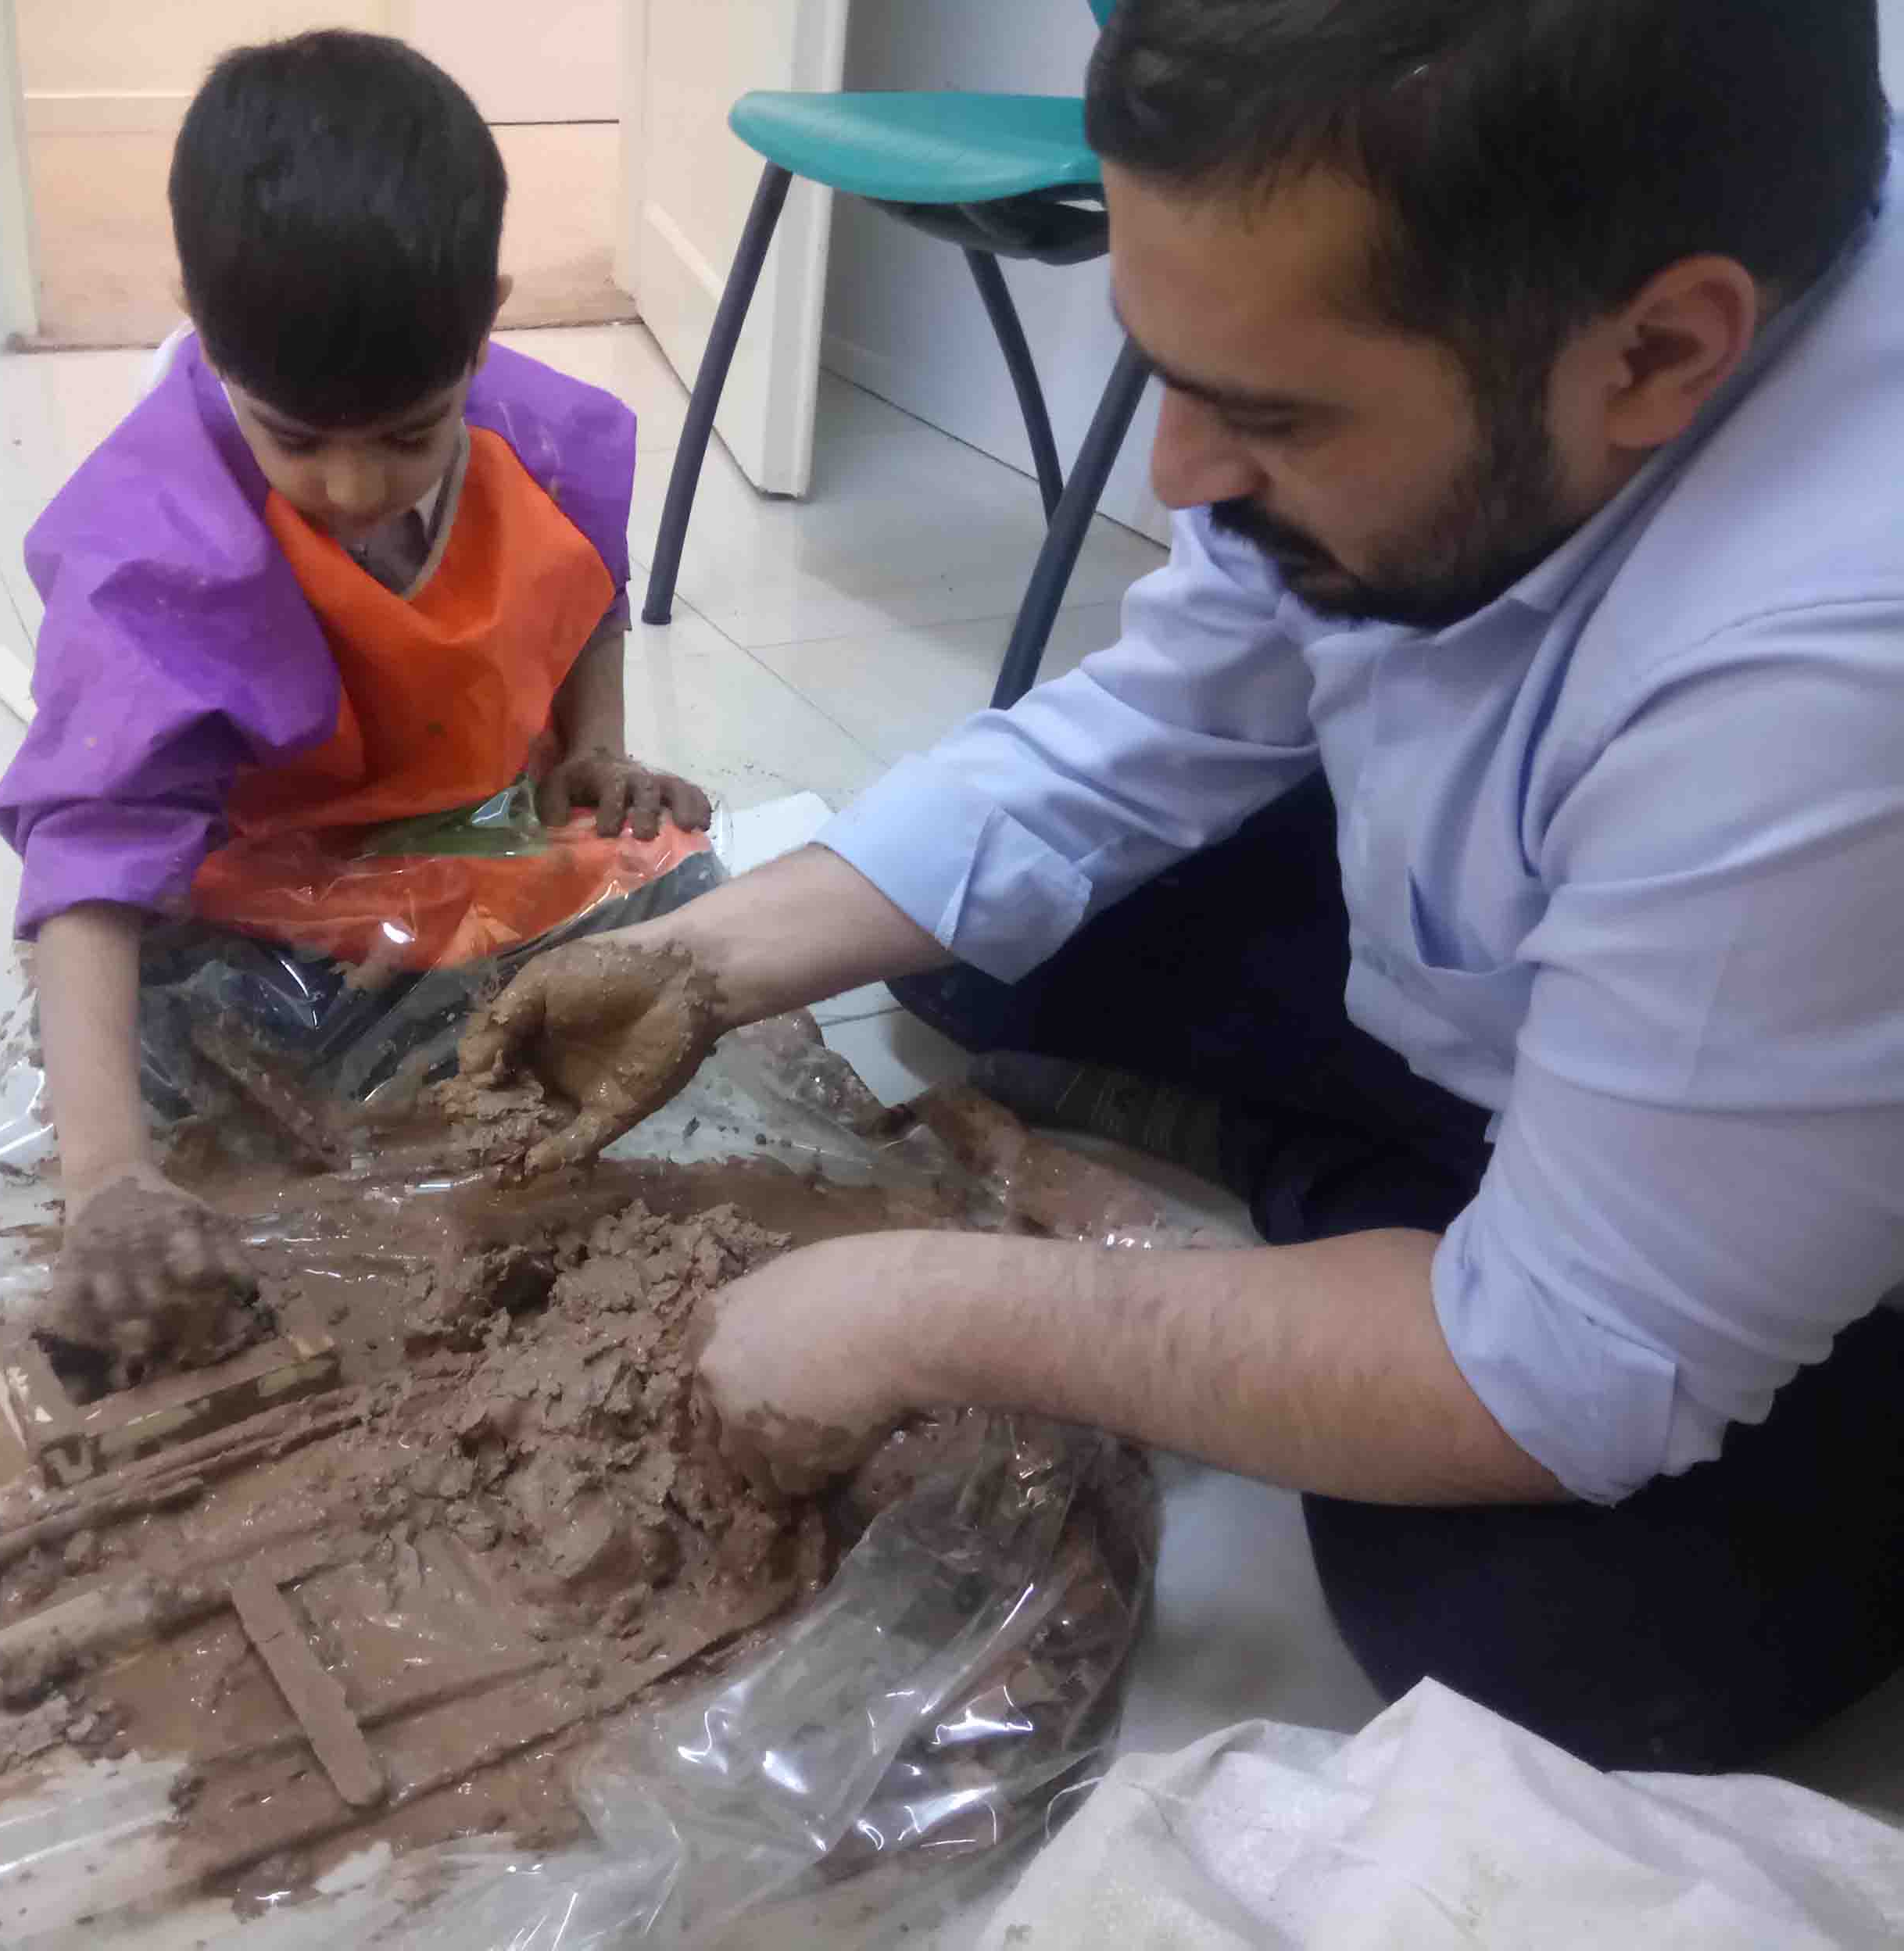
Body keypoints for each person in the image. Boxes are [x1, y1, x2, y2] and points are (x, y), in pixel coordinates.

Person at [460, 0, 1904, 1773]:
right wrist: (696, 961)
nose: (1176, 479)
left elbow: (1571, 1371)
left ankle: (1389, 1215)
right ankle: (1386, 1214)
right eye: (1164, 371)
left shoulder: (1838, 667)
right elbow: (1152, 723)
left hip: (1830, 1149)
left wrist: (921, 1312)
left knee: (1541, 1645)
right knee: (974, 938)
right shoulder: (1509, 337)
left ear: (1658, 353)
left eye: (1266, 415)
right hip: (1615, 940)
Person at [0, 31, 710, 1348]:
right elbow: (93, 846)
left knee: (685, 900)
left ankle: (456, 1058)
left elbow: (588, 593)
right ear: (206, 333)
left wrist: (592, 747)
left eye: (409, 434)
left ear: (484, 328)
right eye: (298, 439)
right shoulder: (154, 543)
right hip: (264, 896)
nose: (359, 485)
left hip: (465, 840)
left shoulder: (540, 435)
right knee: (162, 1050)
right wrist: (105, 1177)